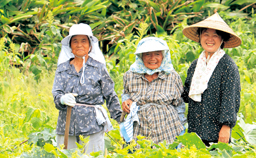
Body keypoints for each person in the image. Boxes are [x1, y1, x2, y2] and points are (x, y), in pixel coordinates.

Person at [52, 23, 122, 153]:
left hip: (92, 125)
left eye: (84, 41)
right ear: (70, 45)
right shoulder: (62, 69)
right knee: (66, 155)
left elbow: (110, 95)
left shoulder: (98, 68)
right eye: (75, 41)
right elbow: (56, 93)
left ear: (90, 45)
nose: (79, 45)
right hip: (66, 124)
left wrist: (120, 119)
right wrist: (62, 99)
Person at [182, 12, 241, 146]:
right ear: (200, 37)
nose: (210, 39)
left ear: (222, 40)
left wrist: (226, 127)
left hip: (216, 132)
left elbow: (230, 99)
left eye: (215, 35)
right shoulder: (195, 65)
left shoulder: (228, 66)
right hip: (195, 129)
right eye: (206, 34)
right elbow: (186, 94)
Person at [121, 37, 186, 146]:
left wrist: (182, 130)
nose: (153, 58)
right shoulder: (130, 75)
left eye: (157, 54)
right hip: (139, 129)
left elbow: (179, 104)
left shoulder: (172, 76)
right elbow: (126, 93)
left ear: (163, 56)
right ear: (141, 56)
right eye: (147, 54)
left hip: (168, 129)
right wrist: (126, 100)